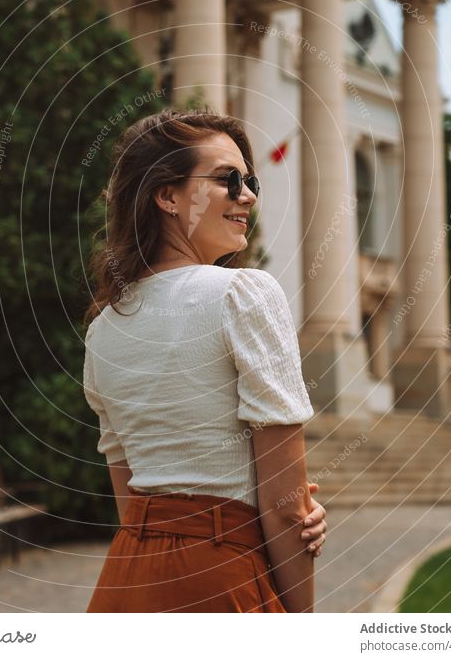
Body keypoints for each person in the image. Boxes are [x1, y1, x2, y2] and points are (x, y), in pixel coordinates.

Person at [82, 108, 326, 613]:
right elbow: (285, 509)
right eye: (226, 179)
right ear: (167, 196)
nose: (248, 195)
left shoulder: (104, 328)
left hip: (125, 581)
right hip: (217, 578)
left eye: (249, 180)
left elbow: (132, 503)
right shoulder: (245, 293)